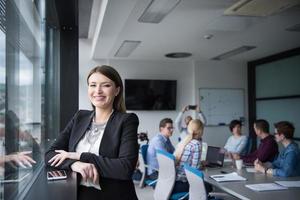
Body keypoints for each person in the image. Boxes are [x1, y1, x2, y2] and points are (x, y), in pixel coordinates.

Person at [45, 65, 139, 200]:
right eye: (93, 85)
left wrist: (79, 156)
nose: (98, 91)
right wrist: (74, 164)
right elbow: (50, 154)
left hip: (112, 195)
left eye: (105, 85)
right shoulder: (80, 117)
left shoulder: (127, 120)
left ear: (117, 90)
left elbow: (124, 168)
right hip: (77, 193)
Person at [173, 119, 203, 193]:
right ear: (200, 131)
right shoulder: (196, 144)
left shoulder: (184, 141)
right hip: (185, 182)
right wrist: (201, 165)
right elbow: (194, 170)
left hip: (174, 181)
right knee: (209, 186)